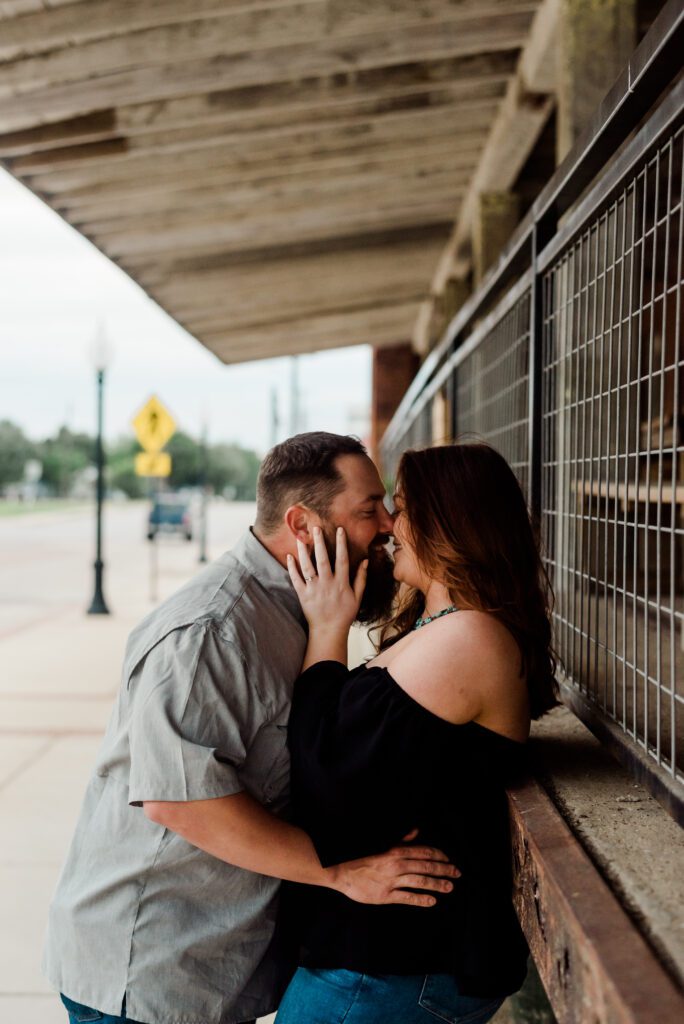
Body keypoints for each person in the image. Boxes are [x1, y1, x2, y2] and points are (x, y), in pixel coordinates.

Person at [44, 432, 460, 1024]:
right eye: (369, 510)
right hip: (153, 971)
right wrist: (340, 871)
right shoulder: (212, 630)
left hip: (214, 963)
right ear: (302, 524)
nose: (390, 526)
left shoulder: (307, 612)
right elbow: (180, 801)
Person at [276, 442, 558, 1024]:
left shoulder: (470, 638)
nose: (388, 526)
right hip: (383, 964)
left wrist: (326, 628)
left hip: (393, 971)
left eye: (400, 508)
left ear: (451, 521)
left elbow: (324, 787)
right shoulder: (445, 629)